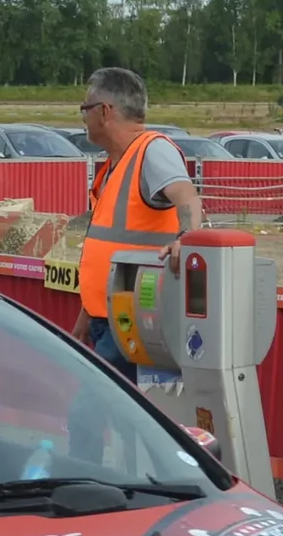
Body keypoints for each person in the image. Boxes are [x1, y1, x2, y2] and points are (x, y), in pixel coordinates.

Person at [73, 65, 204, 383]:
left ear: (104, 112)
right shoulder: (116, 165)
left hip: (134, 321)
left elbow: (188, 198)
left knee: (90, 410)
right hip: (111, 319)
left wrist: (188, 238)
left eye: (85, 109)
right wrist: (86, 318)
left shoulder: (152, 151)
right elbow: (109, 252)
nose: (82, 117)